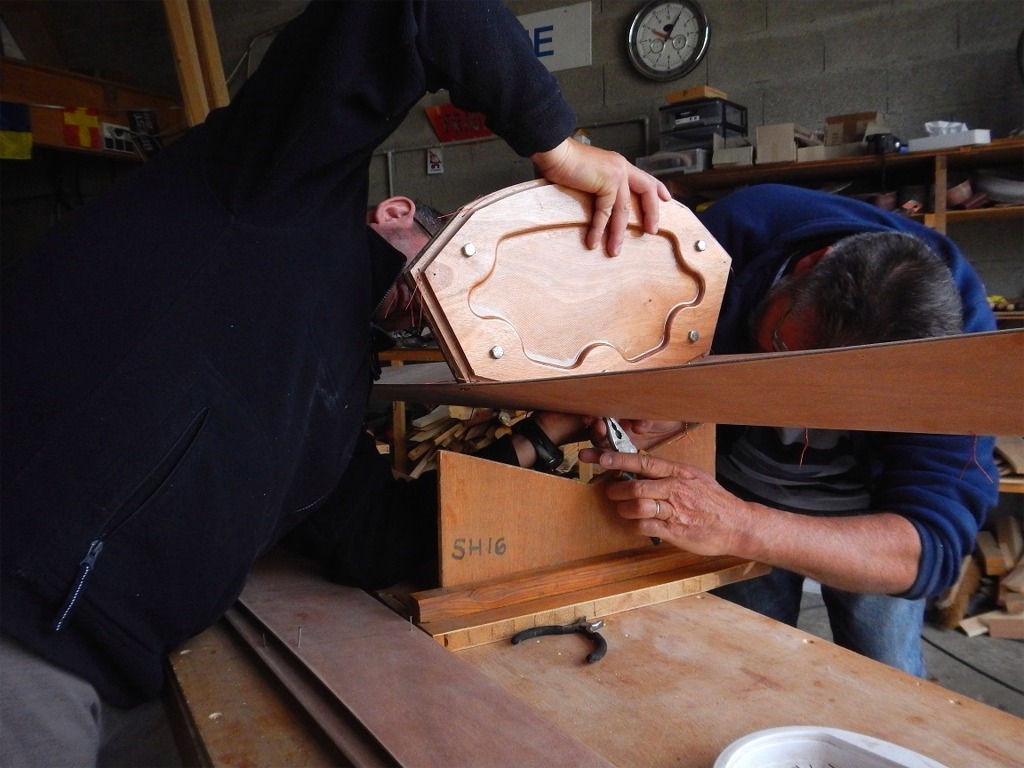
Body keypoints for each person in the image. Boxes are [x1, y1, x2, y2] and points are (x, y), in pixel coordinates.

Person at [0, 1, 670, 763]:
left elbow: (373, 538)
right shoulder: (269, 191)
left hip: (129, 669)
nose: (459, 290)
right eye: (453, 254)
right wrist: (564, 148)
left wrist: (543, 433)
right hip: (21, 628)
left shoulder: (332, 384)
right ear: (393, 213)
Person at [580, 183, 999, 677]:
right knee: (750, 667)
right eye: (782, 347)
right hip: (735, 482)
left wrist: (739, 525)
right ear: (806, 267)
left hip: (863, 523)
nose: (800, 413)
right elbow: (633, 340)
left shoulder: (958, 348)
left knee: (886, 676)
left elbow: (929, 551)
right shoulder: (724, 239)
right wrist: (678, 406)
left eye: (839, 403)